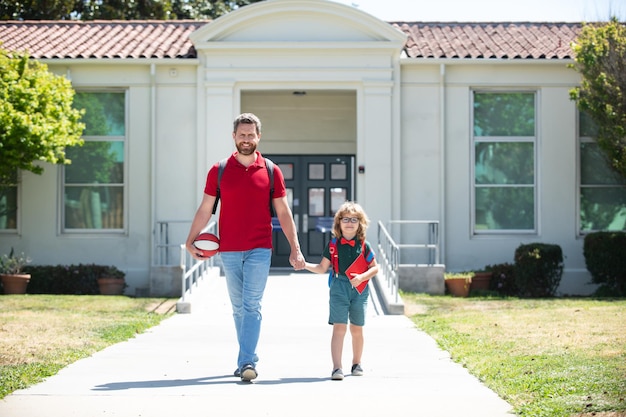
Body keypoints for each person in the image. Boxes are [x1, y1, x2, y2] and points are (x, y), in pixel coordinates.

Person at [185, 112, 305, 382]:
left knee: (251, 305)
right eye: (242, 135)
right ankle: (246, 357)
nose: (247, 139)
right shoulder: (219, 171)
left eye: (251, 135)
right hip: (228, 249)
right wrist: (189, 239)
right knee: (238, 307)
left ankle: (247, 361)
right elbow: (206, 208)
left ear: (259, 137)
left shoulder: (271, 171)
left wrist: (295, 248)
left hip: (259, 249)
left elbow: (284, 213)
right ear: (234, 137)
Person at [299, 201, 379, 380]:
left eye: (354, 219)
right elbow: (321, 268)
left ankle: (357, 363)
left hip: (359, 289)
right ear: (338, 222)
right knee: (339, 327)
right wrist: (304, 265)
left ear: (360, 223)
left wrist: (362, 277)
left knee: (357, 328)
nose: (349, 223)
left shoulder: (364, 245)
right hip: (338, 287)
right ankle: (337, 367)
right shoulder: (333, 245)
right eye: (345, 219)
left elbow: (375, 268)